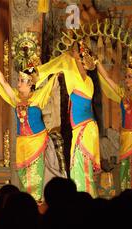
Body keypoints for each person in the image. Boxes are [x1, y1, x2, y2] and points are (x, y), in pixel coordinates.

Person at [0, 57, 66, 201]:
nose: (18, 83)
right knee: (23, 173)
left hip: (37, 140)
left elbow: (51, 83)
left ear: (30, 83)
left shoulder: (38, 96)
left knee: (36, 174)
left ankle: (35, 202)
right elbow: (3, 84)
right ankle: (30, 199)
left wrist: (58, 73)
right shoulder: (15, 97)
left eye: (21, 81)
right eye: (19, 80)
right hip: (22, 143)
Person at [35, 40, 101, 197]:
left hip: (84, 130)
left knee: (81, 170)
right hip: (85, 129)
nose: (77, 59)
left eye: (80, 58)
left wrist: (75, 46)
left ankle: (86, 207)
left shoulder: (80, 79)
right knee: (80, 170)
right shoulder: (87, 81)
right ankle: (87, 204)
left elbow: (70, 59)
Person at [97, 55, 132, 190]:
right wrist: (96, 61)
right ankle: (127, 197)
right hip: (126, 135)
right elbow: (107, 79)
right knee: (124, 167)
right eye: (126, 76)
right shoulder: (122, 94)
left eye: (131, 76)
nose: (127, 79)